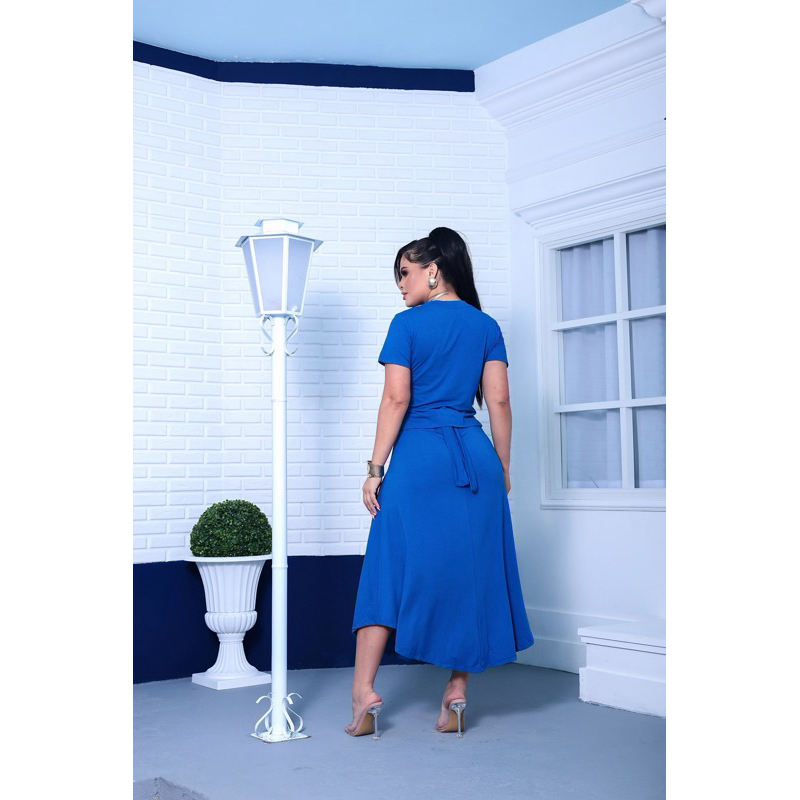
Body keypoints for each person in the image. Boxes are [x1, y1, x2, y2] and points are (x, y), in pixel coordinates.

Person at [345, 227, 534, 739]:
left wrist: (375, 469)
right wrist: (502, 467)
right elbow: (499, 401)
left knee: (386, 569)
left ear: (433, 270)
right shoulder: (485, 325)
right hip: (476, 459)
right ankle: (456, 691)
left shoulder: (406, 325)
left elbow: (396, 399)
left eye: (405, 273)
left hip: (420, 459)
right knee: (468, 573)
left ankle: (364, 693)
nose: (400, 284)